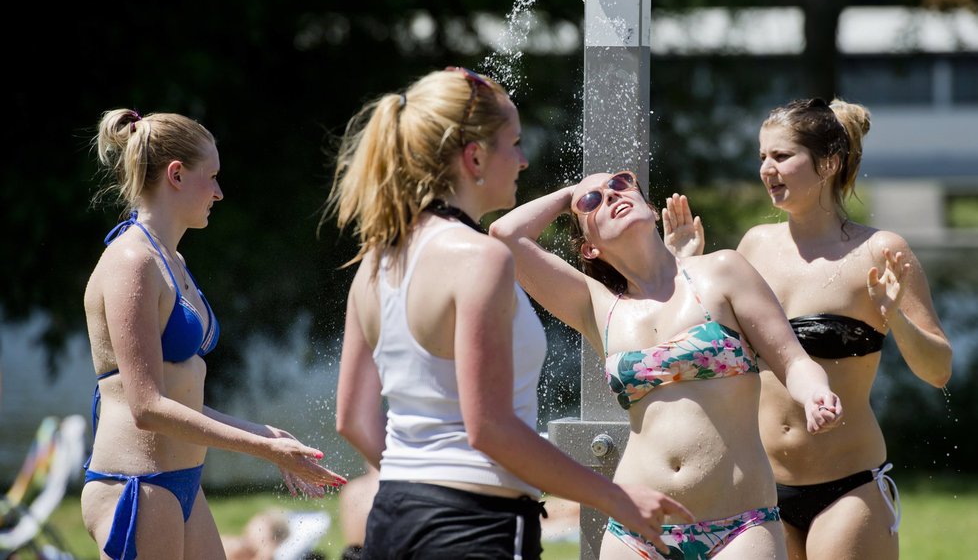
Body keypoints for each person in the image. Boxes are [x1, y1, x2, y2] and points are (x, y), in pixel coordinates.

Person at [327, 67, 693, 560]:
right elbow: (490, 429)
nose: (522, 160)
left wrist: (422, 484)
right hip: (473, 530)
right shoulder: (479, 258)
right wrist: (615, 497)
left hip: (394, 517)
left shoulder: (377, 259)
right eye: (514, 144)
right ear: (475, 156)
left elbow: (352, 419)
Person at [489, 169, 843, 560]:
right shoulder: (598, 306)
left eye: (622, 184)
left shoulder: (722, 271)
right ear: (589, 248)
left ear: (651, 209)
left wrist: (816, 393)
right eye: (595, 202)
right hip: (636, 532)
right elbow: (506, 236)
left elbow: (794, 362)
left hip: (738, 525)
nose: (611, 195)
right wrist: (575, 191)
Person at [665, 98, 953, 560]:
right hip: (759, 488)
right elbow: (707, 353)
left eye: (781, 156)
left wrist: (895, 315)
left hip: (847, 489)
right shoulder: (755, 246)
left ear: (828, 164)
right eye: (762, 156)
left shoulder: (879, 251)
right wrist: (685, 270)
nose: (766, 168)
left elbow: (938, 370)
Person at [82, 109, 346, 560]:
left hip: (182, 483)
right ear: (177, 175)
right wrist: (264, 450)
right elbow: (147, 406)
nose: (220, 192)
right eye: (213, 177)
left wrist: (267, 434)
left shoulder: (173, 262)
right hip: (138, 484)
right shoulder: (133, 262)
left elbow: (180, 395)